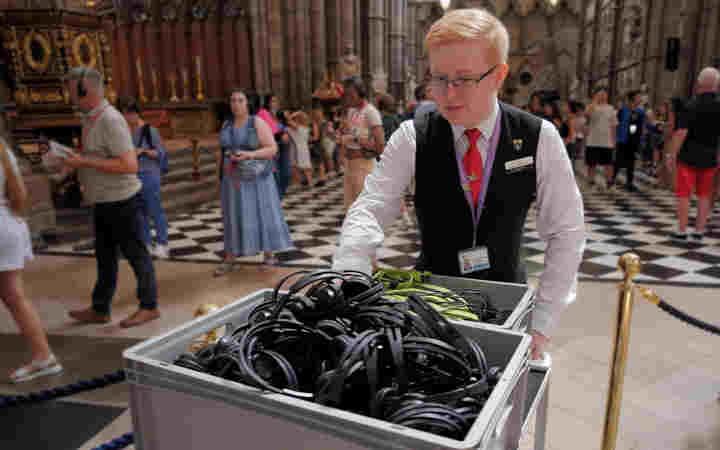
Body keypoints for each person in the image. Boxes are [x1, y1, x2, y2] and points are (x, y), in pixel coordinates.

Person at [332, 8, 585, 361]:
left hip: (504, 301)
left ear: (498, 75)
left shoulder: (537, 137)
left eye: (463, 79)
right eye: (438, 79)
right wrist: (351, 271)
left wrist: (542, 322)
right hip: (428, 303)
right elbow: (371, 207)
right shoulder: (413, 135)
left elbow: (566, 232)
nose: (448, 94)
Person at [62, 67, 160, 327]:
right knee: (105, 258)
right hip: (103, 200)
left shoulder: (110, 120)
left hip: (123, 200)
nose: (68, 95)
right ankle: (100, 308)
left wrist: (84, 161)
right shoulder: (89, 118)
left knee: (137, 254)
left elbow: (130, 165)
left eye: (72, 90)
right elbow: (99, 157)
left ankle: (149, 306)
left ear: (87, 91)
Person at [1, 125, 63, 382]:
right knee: (14, 297)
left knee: (14, 297)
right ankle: (43, 356)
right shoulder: (3, 148)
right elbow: (20, 194)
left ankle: (43, 357)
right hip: (9, 223)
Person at [214, 88, 292, 276]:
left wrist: (250, 154)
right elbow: (221, 151)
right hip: (232, 178)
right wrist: (219, 176)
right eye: (232, 100)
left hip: (256, 178)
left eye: (240, 100)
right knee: (232, 214)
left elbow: (272, 149)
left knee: (261, 212)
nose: (236, 104)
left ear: (247, 103)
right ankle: (230, 257)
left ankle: (268, 255)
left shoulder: (257, 122)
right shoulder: (226, 124)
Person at [666, 67, 720, 241]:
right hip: (710, 157)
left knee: (684, 194)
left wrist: (671, 155)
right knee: (705, 195)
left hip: (688, 157)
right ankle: (699, 231)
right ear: (717, 85)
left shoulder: (690, 106)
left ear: (699, 83)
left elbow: (681, 132)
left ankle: (681, 230)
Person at [118, 98, 170, 259]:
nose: (125, 118)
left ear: (135, 114)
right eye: (123, 114)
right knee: (140, 212)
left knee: (155, 210)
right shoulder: (125, 131)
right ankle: (146, 243)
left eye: (127, 115)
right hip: (133, 174)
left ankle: (162, 244)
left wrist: (144, 151)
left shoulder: (149, 130)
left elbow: (161, 153)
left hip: (149, 174)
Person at [336, 77, 385, 213]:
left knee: (364, 210)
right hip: (350, 166)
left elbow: (380, 145)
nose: (347, 98)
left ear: (361, 93)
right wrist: (342, 141)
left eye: (351, 95)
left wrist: (358, 142)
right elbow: (348, 134)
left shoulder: (371, 112)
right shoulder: (352, 111)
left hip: (364, 166)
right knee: (350, 209)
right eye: (346, 95)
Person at [258, 94, 291, 198]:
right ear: (267, 102)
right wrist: (281, 134)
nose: (275, 103)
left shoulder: (280, 114)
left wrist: (285, 130)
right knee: (275, 173)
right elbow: (269, 129)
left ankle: (280, 192)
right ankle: (277, 196)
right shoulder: (263, 113)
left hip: (283, 146)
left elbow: (285, 126)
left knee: (286, 173)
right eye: (272, 101)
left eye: (276, 101)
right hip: (272, 146)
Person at [611, 90, 645, 192]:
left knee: (631, 161)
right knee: (618, 160)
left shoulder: (640, 112)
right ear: (632, 98)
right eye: (638, 97)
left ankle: (629, 182)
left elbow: (641, 126)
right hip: (623, 139)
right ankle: (611, 180)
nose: (640, 99)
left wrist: (641, 139)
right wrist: (615, 138)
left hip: (634, 141)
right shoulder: (622, 110)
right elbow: (616, 124)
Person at [584, 87, 618, 190]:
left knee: (608, 164)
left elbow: (614, 125)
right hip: (592, 140)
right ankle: (590, 181)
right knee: (591, 163)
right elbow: (587, 116)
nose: (602, 96)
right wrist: (594, 103)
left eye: (604, 94)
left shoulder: (611, 109)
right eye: (600, 94)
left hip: (607, 141)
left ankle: (609, 182)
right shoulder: (591, 107)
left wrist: (614, 140)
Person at [285, 110, 314, 187]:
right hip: (303, 148)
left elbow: (289, 121)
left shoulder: (298, 127)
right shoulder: (305, 127)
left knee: (303, 167)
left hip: (300, 149)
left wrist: (292, 115)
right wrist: (298, 113)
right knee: (304, 166)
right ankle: (307, 182)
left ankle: (305, 182)